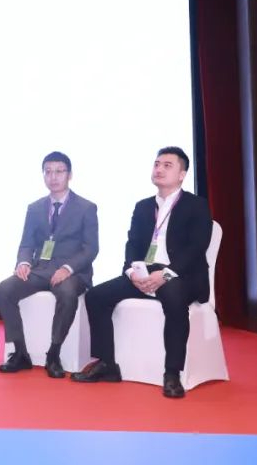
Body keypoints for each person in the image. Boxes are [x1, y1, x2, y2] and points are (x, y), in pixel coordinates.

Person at [71, 146, 213, 398]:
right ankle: (107, 364)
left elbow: (197, 248)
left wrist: (165, 274)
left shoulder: (196, 205)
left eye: (167, 165)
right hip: (145, 273)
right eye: (156, 164)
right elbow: (133, 244)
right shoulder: (143, 206)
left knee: (174, 297)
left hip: (181, 275)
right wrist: (131, 273)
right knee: (96, 296)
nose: (159, 169)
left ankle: (172, 373)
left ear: (182, 174)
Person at [0, 151, 99, 378]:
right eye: (48, 172)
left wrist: (67, 268)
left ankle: (53, 354)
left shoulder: (86, 207)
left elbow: (91, 248)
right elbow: (27, 243)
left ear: (69, 175)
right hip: (40, 269)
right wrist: (23, 262)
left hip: (72, 272)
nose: (53, 177)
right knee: (5, 289)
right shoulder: (35, 208)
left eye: (59, 171)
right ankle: (20, 353)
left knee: (68, 294)